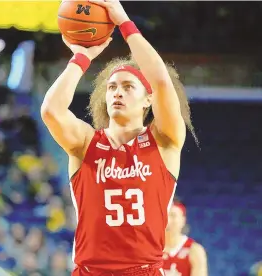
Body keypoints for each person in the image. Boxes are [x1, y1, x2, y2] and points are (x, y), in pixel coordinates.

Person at [41, 0, 197, 275]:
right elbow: (51, 111)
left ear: (148, 99)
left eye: (127, 86)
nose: (117, 92)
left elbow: (160, 80)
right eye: (112, 87)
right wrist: (81, 58)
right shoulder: (86, 143)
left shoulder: (164, 141)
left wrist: (125, 23)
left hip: (144, 270)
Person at [163, 201, 208, 276]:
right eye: (165, 216)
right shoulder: (151, 249)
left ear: (183, 220)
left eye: (173, 216)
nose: (168, 221)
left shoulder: (194, 250)